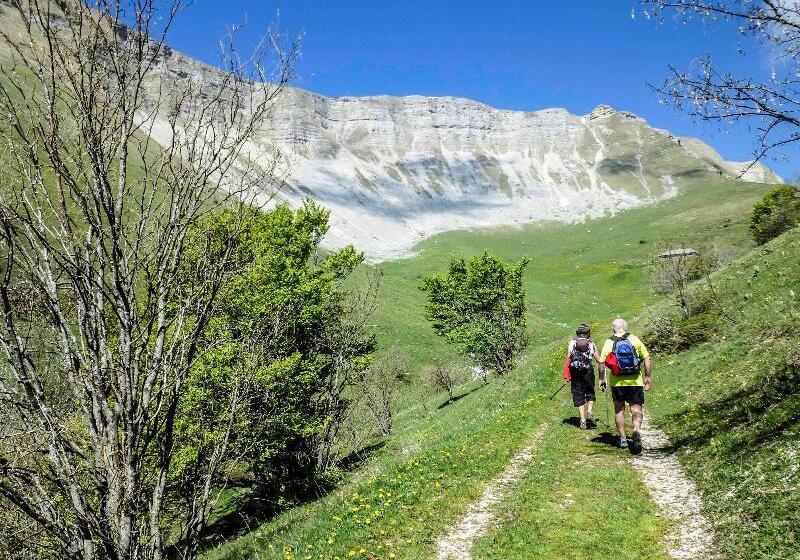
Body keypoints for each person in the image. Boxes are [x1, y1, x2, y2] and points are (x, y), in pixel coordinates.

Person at [598, 318, 652, 454]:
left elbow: (602, 362)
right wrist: (647, 376)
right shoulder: (634, 339)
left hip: (617, 382)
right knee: (636, 409)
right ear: (626, 327)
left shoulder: (609, 342)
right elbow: (646, 357)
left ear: (613, 329)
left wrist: (601, 378)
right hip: (635, 381)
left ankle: (622, 439)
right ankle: (636, 430)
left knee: (619, 411)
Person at [563, 323, 601, 430]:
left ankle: (583, 421)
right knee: (590, 391)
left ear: (577, 333)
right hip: (588, 370)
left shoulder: (572, 343)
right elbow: (598, 359)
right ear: (588, 333)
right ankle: (589, 412)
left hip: (575, 371)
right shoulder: (591, 343)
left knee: (578, 393)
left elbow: (568, 358)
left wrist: (567, 375)